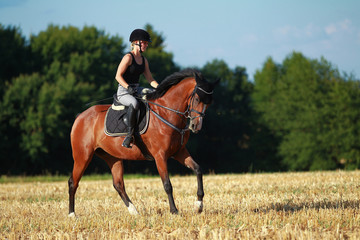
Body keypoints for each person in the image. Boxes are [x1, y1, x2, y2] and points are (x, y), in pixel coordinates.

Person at [115, 29, 159, 148]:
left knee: (153, 94)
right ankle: (129, 136)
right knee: (134, 103)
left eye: (146, 43)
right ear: (136, 42)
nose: (146, 45)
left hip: (136, 89)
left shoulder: (144, 60)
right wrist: (128, 87)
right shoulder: (128, 58)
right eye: (144, 42)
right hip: (124, 91)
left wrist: (160, 88)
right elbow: (118, 76)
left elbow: (150, 79)